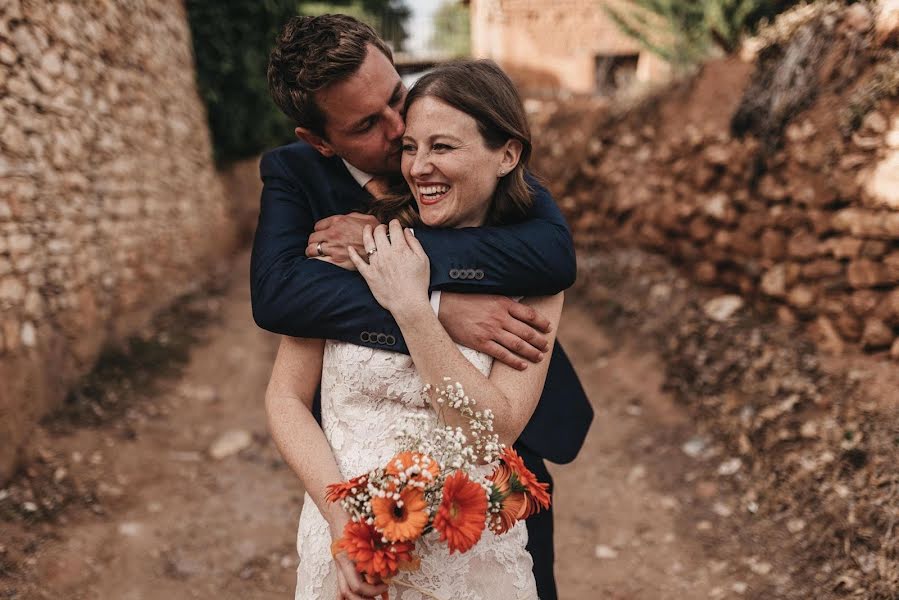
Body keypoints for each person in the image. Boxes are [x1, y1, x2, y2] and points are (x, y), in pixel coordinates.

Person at [252, 15, 593, 600]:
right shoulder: (297, 177)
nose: (400, 131)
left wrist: (392, 251)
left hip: (498, 457)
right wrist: (439, 308)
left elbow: (553, 257)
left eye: (397, 96)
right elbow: (280, 295)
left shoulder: (470, 152)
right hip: (358, 495)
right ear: (322, 140)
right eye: (369, 124)